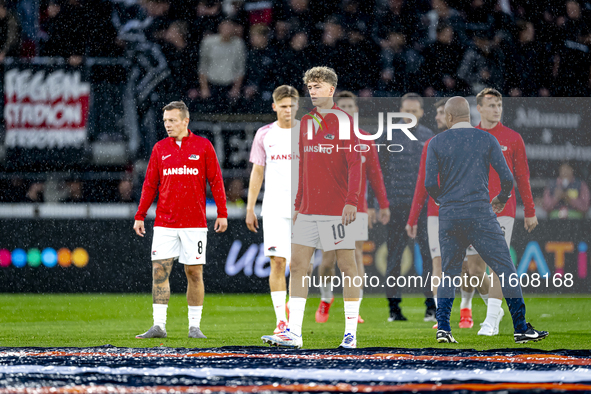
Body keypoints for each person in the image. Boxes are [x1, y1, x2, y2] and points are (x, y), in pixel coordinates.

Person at [425, 96, 547, 344]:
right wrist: (501, 199)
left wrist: (442, 199)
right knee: (505, 269)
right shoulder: (486, 139)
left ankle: (444, 329)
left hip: (449, 215)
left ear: (448, 117)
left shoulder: (436, 142)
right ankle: (520, 327)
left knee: (449, 273)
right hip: (481, 214)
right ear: (469, 115)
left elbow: (429, 183)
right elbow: (508, 179)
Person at [261, 66, 362, 349]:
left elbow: (356, 164)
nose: (312, 91)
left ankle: (350, 333)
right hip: (307, 210)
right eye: (310, 87)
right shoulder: (305, 122)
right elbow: (303, 166)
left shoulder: (344, 121)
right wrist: (297, 204)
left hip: (336, 209)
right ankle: (294, 332)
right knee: (298, 266)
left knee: (347, 267)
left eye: (318, 86)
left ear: (331, 90)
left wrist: (351, 201)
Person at [134, 101, 228, 339]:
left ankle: (194, 326)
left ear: (186, 121)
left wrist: (222, 212)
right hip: (164, 223)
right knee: (160, 272)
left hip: (194, 223)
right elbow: (149, 185)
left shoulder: (203, 146)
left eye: (172, 120)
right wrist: (140, 215)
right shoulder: (159, 149)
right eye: (165, 121)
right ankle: (159, 326)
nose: (168, 125)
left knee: (194, 273)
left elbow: (216, 180)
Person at [464, 88, 538, 336]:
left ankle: (491, 321)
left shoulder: (513, 137)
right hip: (475, 210)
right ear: (479, 109)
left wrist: (530, 209)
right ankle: (494, 308)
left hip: (503, 209)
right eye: (491, 105)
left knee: (497, 264)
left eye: (499, 105)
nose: (496, 109)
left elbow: (522, 176)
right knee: (474, 270)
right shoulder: (470, 136)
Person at [315, 91, 390, 324]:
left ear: (356, 109)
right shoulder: (326, 136)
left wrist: (382, 205)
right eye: (343, 105)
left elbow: (375, 175)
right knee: (328, 260)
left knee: (356, 254)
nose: (347, 109)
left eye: (351, 105)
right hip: (329, 207)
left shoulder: (366, 139)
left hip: (357, 207)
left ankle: (354, 306)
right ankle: (326, 298)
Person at [370, 93, 436, 322]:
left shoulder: (429, 136)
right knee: (395, 256)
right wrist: (378, 204)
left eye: (414, 111)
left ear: (421, 112)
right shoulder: (387, 135)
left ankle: (431, 306)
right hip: (395, 206)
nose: (410, 115)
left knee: (428, 256)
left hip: (424, 207)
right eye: (405, 111)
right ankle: (394, 309)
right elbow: (376, 172)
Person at [246, 85, 300, 335]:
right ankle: (281, 321)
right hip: (275, 208)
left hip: (305, 209)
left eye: (292, 106)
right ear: (274, 106)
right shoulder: (264, 134)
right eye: (283, 106)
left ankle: (295, 315)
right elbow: (258, 171)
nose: (288, 110)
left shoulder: (309, 133)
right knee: (278, 262)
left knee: (301, 266)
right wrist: (250, 207)